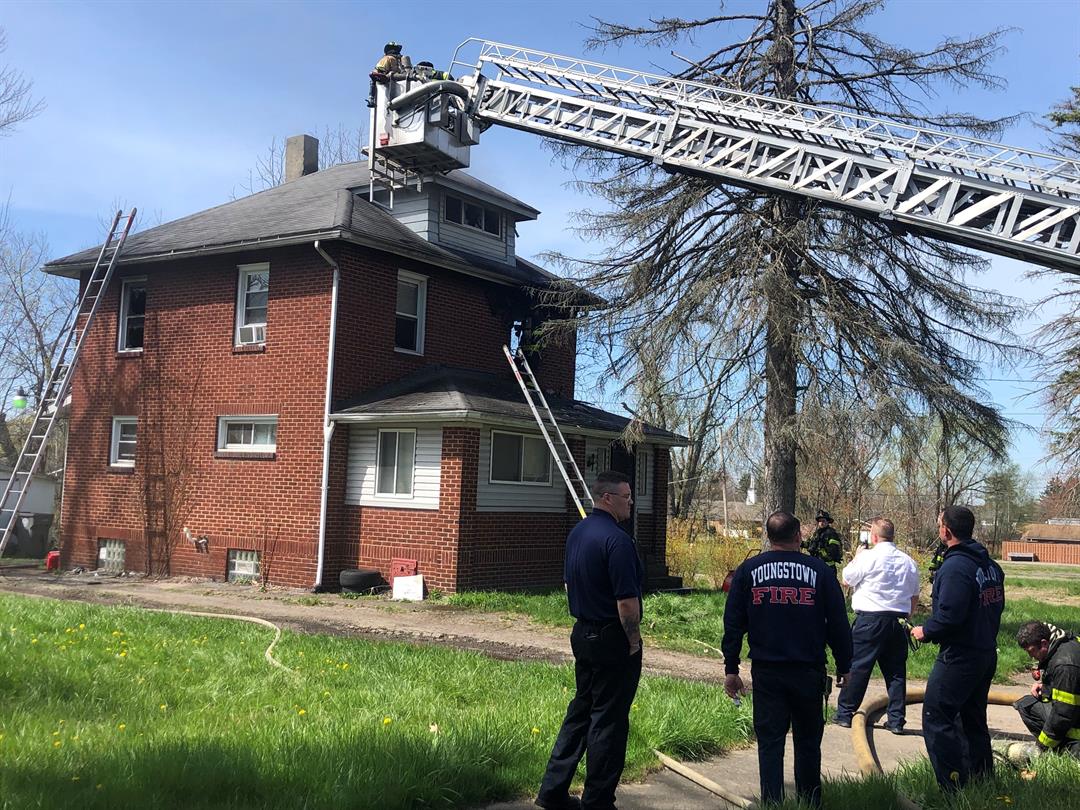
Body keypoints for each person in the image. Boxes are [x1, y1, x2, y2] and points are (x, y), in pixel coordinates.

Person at [722, 511, 852, 808]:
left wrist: (732, 668)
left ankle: (772, 803)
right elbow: (838, 624)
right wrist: (845, 665)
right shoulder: (819, 571)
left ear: (768, 537)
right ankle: (809, 802)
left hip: (767, 672)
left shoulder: (749, 570)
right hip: (808, 671)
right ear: (798, 537)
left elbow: (733, 623)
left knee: (770, 743)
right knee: (808, 743)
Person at [536, 471, 643, 810]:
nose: (631, 502)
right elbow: (626, 603)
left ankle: (552, 791)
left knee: (581, 710)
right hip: (612, 638)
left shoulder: (578, 533)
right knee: (608, 721)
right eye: (626, 496)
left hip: (582, 633)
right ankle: (598, 801)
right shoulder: (618, 540)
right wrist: (634, 640)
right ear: (607, 498)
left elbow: (568, 584)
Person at [911, 506, 1005, 791]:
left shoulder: (955, 568)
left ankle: (953, 789)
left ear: (946, 531)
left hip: (960, 656)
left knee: (936, 716)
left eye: (940, 525)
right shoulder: (989, 566)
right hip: (985, 652)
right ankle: (982, 780)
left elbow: (950, 615)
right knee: (973, 718)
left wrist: (925, 631)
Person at [833, 517, 920, 733]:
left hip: (870, 620)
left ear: (873, 536)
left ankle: (845, 713)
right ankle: (897, 720)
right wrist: (907, 617)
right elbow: (914, 596)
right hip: (898, 621)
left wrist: (857, 557)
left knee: (859, 668)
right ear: (893, 535)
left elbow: (846, 579)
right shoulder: (908, 561)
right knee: (896, 672)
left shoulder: (868, 557)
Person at [1012, 620, 1080, 758]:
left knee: (1027, 706)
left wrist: (1041, 747)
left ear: (1044, 643)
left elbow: (1063, 714)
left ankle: (1066, 749)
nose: (1030, 656)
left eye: (1032, 652)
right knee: (1026, 703)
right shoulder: (1066, 642)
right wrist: (1047, 688)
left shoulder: (1064, 665)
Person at [803, 509, 843, 574]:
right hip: (816, 566)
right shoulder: (816, 533)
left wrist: (820, 550)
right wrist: (801, 543)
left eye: (823, 521)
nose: (821, 523)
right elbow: (810, 544)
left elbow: (833, 552)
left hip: (828, 567)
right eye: (820, 521)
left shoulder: (832, 534)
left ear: (828, 522)